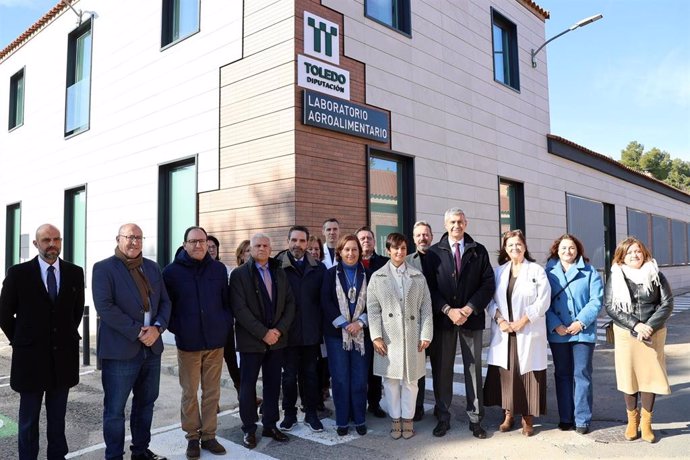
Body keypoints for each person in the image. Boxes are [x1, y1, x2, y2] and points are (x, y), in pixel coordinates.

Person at [0, 224, 84, 460]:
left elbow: (75, 313)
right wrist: (22, 340)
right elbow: (4, 313)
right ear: (37, 244)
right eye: (46, 240)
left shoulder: (75, 272)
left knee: (57, 421)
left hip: (63, 360)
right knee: (28, 421)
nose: (52, 244)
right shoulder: (18, 273)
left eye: (56, 239)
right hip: (30, 360)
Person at [92, 223, 171, 460]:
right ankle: (114, 455)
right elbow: (105, 307)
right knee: (115, 411)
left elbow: (166, 302)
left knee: (146, 404)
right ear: (118, 239)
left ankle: (140, 451)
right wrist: (138, 332)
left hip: (152, 348)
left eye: (138, 237)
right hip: (121, 350)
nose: (134, 241)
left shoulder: (152, 267)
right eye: (129, 237)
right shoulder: (104, 268)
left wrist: (157, 329)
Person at [162, 227, 231, 458]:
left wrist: (223, 323)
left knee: (212, 392)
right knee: (190, 392)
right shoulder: (171, 272)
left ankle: (209, 435)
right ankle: (192, 436)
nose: (198, 246)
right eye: (193, 242)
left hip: (215, 341)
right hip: (188, 343)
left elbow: (226, 301)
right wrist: (178, 327)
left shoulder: (218, 269)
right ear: (185, 244)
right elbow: (166, 306)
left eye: (202, 241)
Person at [427, 208, 495, 438]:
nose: (457, 225)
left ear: (466, 223)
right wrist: (448, 310)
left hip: (471, 318)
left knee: (473, 369)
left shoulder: (479, 251)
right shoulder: (434, 252)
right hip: (444, 320)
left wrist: (468, 308)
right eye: (452, 222)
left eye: (460, 221)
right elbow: (430, 288)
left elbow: (487, 284)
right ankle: (443, 416)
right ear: (445, 225)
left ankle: (476, 419)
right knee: (442, 369)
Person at [230, 233, 295, 449]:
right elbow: (240, 310)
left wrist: (278, 330)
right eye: (257, 245)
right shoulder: (239, 275)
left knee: (272, 385)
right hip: (251, 341)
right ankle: (249, 429)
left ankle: (270, 424)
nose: (261, 248)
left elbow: (289, 304)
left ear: (270, 248)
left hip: (276, 340)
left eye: (265, 245)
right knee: (247, 386)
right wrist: (263, 333)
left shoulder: (279, 272)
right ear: (250, 248)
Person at [605, 237, 673, 443]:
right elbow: (610, 306)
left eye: (638, 251)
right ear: (622, 256)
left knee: (649, 377)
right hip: (627, 333)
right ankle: (632, 421)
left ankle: (646, 422)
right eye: (630, 252)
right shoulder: (616, 275)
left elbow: (667, 302)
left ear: (644, 253)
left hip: (654, 332)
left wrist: (649, 326)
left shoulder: (656, 273)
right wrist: (636, 324)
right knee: (629, 377)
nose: (635, 255)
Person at [484, 230, 550, 437]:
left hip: (527, 330)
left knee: (528, 374)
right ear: (505, 248)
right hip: (505, 332)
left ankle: (527, 418)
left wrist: (523, 320)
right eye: (510, 245)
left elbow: (544, 300)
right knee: (507, 375)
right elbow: (490, 299)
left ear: (525, 246)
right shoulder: (499, 272)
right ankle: (508, 414)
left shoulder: (536, 271)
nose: (515, 248)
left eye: (518, 244)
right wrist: (500, 320)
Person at [368, 233, 433, 440]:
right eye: (395, 248)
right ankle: (395, 419)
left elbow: (426, 308)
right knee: (391, 380)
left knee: (411, 381)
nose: (399, 252)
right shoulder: (377, 277)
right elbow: (373, 309)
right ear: (388, 250)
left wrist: (426, 334)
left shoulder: (417, 276)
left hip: (413, 335)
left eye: (403, 248)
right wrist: (376, 336)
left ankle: (408, 419)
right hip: (389, 337)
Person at [545, 234, 603, 434]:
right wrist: (555, 325)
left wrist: (581, 322)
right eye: (563, 248)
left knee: (582, 374)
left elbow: (596, 301)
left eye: (571, 248)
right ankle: (566, 418)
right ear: (556, 250)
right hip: (559, 332)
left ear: (578, 250)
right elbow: (544, 302)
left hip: (582, 332)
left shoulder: (589, 272)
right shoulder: (548, 272)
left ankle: (582, 419)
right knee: (562, 375)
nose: (567, 251)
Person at [320, 234, 371, 436]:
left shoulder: (368, 273)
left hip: (360, 334)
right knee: (340, 379)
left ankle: (359, 419)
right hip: (336, 335)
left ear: (359, 252)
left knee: (359, 379)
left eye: (355, 249)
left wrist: (359, 323)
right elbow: (325, 301)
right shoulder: (330, 274)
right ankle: (342, 420)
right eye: (347, 249)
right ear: (339, 252)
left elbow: (374, 304)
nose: (351, 253)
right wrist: (344, 323)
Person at [277, 226, 326, 432]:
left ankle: (311, 413)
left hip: (310, 333)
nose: (298, 245)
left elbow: (323, 301)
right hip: (286, 333)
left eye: (302, 241)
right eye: (294, 240)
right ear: (288, 241)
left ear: (307, 244)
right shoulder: (276, 266)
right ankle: (289, 414)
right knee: (288, 376)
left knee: (310, 375)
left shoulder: (318, 268)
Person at [355, 226, 389, 418]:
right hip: (356, 325)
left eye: (369, 238)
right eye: (362, 238)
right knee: (359, 368)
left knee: (375, 369)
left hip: (379, 324)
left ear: (374, 242)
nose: (366, 241)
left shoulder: (385, 263)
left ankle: (374, 404)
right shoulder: (352, 262)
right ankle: (358, 403)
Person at [405, 221, 435, 421]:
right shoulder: (406, 262)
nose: (422, 238)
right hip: (416, 324)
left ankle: (442, 409)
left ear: (431, 236)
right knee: (417, 369)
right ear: (414, 238)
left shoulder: (441, 258)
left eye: (426, 234)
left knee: (441, 369)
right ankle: (417, 407)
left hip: (440, 322)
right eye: (418, 235)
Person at [207, 235, 241, 397]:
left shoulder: (225, 269)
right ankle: (213, 402)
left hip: (225, 324)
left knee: (232, 360)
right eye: (208, 246)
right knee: (211, 366)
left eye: (214, 246)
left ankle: (242, 392)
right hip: (208, 327)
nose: (211, 249)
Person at [307, 235, 331, 408]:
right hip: (308, 327)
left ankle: (322, 393)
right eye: (311, 249)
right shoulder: (301, 269)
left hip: (323, 326)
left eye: (316, 249)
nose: (314, 252)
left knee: (324, 364)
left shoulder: (323, 269)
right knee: (310, 367)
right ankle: (311, 401)